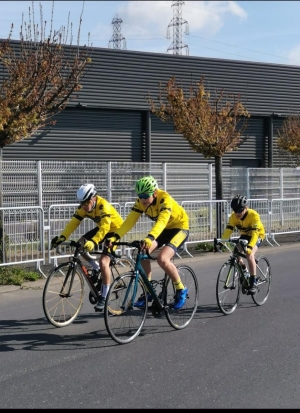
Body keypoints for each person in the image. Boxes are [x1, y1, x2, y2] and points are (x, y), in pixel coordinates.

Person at [106, 175, 190, 310]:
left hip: (179, 228)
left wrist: (150, 238)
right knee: (143, 251)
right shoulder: (140, 202)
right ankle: (148, 291)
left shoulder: (165, 199)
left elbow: (162, 221)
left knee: (163, 259)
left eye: (146, 195)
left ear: (155, 193)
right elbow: (129, 221)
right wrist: (115, 237)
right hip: (163, 230)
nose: (143, 199)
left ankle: (181, 289)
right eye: (140, 195)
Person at [50, 183, 123, 311]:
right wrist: (62, 237)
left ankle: (104, 297)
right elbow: (73, 223)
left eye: (85, 203)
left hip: (115, 230)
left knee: (104, 261)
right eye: (81, 203)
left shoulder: (103, 206)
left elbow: (105, 227)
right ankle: (96, 268)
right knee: (80, 244)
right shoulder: (83, 207)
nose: (83, 207)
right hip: (102, 229)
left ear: (93, 198)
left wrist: (94, 242)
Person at [221, 194, 265, 294]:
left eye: (240, 211)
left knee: (249, 255)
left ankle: (253, 283)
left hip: (257, 235)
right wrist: (222, 241)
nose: (237, 213)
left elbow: (254, 234)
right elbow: (229, 229)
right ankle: (245, 271)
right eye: (235, 211)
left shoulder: (253, 215)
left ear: (246, 208)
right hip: (245, 235)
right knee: (235, 253)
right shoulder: (233, 216)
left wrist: (249, 247)